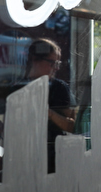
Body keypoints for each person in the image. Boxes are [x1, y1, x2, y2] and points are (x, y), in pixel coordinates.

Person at [25, 38, 77, 172]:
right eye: (52, 63)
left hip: (53, 157)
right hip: (26, 154)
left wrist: (48, 112)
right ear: (35, 60)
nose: (57, 67)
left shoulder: (59, 88)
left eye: (58, 63)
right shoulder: (20, 88)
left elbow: (72, 126)